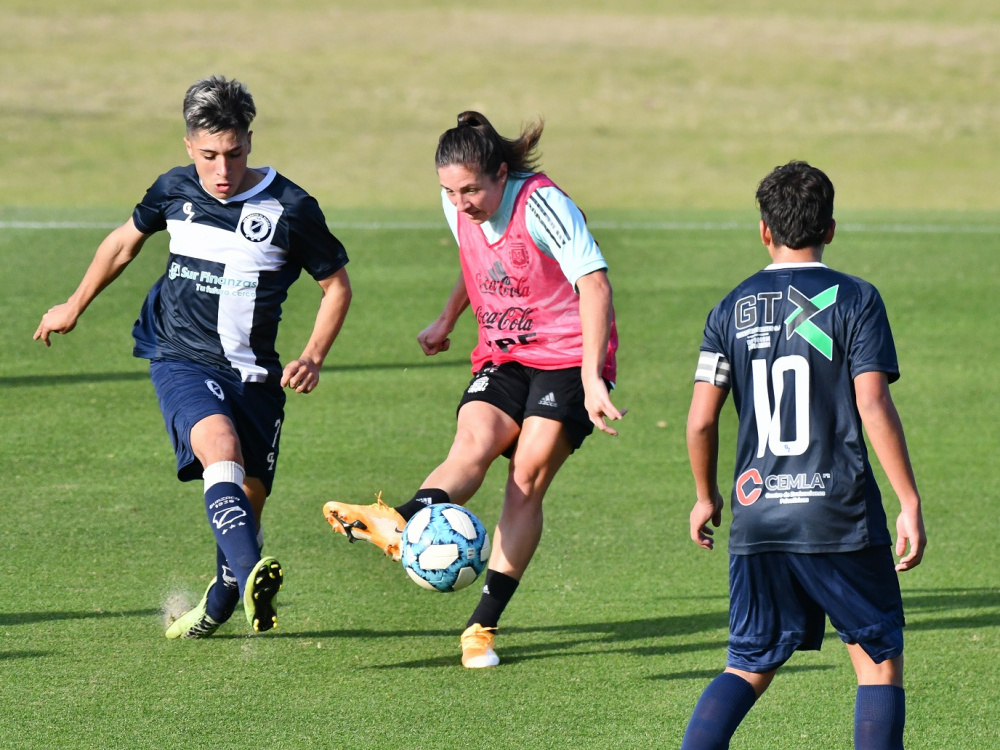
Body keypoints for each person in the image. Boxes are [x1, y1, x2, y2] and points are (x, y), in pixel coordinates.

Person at [34, 75, 352, 638]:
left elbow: (336, 287)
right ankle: (253, 573)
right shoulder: (174, 190)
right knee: (218, 450)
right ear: (189, 148)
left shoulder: (291, 207)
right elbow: (123, 243)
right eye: (209, 156)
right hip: (180, 355)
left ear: (250, 141)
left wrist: (314, 355)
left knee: (246, 500)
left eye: (233, 153)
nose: (222, 171)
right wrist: (74, 303)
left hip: (255, 375)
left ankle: (221, 600)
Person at [323, 111, 622, 668]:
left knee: (525, 475)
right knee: (471, 446)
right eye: (450, 191)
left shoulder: (542, 204)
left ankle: (480, 627)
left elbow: (594, 284)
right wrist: (447, 318)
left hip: (567, 355)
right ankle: (398, 522)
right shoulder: (459, 203)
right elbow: (477, 259)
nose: (461, 203)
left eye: (471, 189)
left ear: (501, 174)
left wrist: (590, 379)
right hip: (504, 352)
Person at [681, 161, 926, 749]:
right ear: (832, 229)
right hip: (838, 515)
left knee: (747, 665)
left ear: (764, 230)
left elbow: (701, 419)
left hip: (758, 516)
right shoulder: (857, 300)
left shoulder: (729, 310)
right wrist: (909, 500)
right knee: (876, 661)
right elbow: (873, 406)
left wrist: (704, 496)